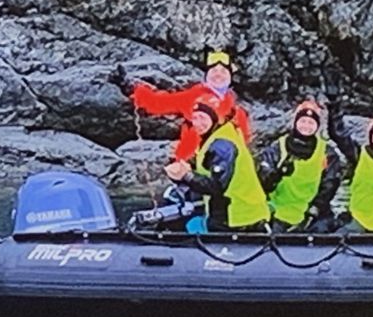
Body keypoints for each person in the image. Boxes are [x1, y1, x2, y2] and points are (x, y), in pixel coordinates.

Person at [131, 49, 253, 164]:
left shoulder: (237, 111)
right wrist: (136, 90)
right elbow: (160, 103)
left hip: (224, 166)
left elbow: (245, 141)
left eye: (223, 72)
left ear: (230, 77)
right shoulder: (193, 95)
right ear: (206, 76)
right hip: (191, 161)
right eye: (214, 71)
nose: (218, 75)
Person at [165, 101, 271, 232]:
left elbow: (217, 186)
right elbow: (205, 169)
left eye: (203, 118)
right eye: (194, 118)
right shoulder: (216, 137)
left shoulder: (222, 144)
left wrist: (187, 176)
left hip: (238, 216)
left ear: (214, 118)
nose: (198, 123)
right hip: (231, 211)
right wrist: (182, 172)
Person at [256, 99, 348, 232]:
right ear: (295, 123)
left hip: (311, 213)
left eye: (311, 122)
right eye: (302, 121)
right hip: (277, 210)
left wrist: (314, 210)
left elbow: (329, 185)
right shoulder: (277, 148)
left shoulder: (328, 153)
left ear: (317, 126)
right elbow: (262, 183)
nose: (306, 125)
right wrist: (277, 175)